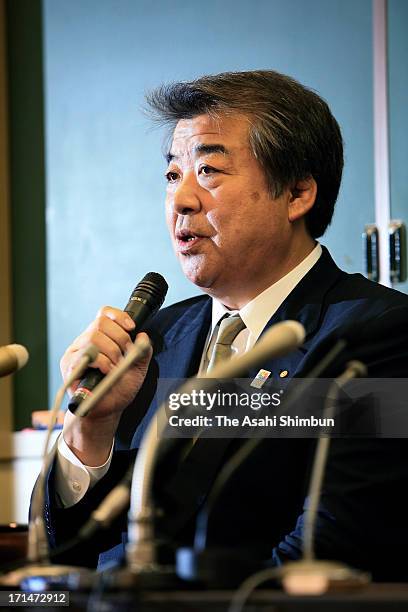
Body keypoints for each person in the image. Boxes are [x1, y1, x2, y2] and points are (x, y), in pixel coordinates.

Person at [42, 70, 408, 580]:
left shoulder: (380, 333)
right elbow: (76, 553)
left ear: (298, 192)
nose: (181, 201)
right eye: (173, 176)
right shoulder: (154, 341)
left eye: (208, 171)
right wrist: (90, 431)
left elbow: (328, 550)